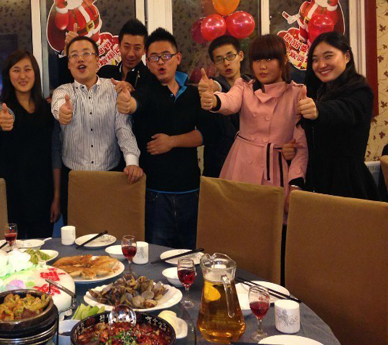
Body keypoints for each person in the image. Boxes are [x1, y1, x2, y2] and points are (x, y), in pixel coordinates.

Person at [116, 28, 204, 248]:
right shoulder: (147, 91)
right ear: (148, 62)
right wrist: (127, 103)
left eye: (166, 55)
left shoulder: (193, 94)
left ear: (178, 58)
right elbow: (135, 103)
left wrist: (172, 141)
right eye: (154, 57)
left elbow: (204, 135)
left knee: (192, 255)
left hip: (191, 191)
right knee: (156, 255)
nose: (161, 62)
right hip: (155, 194)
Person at [201, 34, 308, 210]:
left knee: (271, 222)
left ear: (284, 59)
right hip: (241, 167)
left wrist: (295, 185)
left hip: (276, 171)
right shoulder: (244, 86)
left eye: (269, 59)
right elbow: (230, 102)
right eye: (257, 60)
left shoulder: (297, 94)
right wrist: (213, 100)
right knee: (236, 218)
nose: (262, 66)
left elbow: (301, 146)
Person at [51, 36, 143, 223]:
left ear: (97, 60)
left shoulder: (114, 89)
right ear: (68, 64)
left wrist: (132, 162)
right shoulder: (63, 91)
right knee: (76, 234)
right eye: (74, 55)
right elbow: (58, 105)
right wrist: (62, 113)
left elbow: (123, 129)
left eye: (86, 53)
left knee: (111, 231)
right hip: (74, 179)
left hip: (110, 176)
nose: (80, 59)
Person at [299, 31, 379, 200]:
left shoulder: (360, 90)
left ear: (347, 56)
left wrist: (319, 111)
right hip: (315, 180)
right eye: (315, 59)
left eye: (328, 56)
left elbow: (345, 109)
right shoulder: (316, 91)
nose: (321, 64)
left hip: (346, 183)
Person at [0, 51, 61, 238]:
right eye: (16, 70)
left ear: (35, 73)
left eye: (27, 69)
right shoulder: (2, 109)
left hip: (43, 194)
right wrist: (0, 119)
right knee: (12, 251)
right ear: (8, 75)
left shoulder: (47, 110)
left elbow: (55, 153)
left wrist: (57, 196)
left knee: (42, 249)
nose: (22, 76)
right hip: (10, 196)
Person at [198, 35, 250, 177]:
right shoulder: (213, 88)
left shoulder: (252, 84)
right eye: (219, 59)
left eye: (230, 56)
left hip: (250, 163)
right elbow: (218, 87)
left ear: (240, 56)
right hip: (219, 165)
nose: (226, 63)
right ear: (214, 64)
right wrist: (210, 92)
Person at [57, 19, 150, 89]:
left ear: (144, 50)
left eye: (137, 48)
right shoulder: (105, 73)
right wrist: (69, 50)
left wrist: (133, 97)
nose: (131, 54)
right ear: (119, 46)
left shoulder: (150, 79)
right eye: (126, 47)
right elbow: (73, 88)